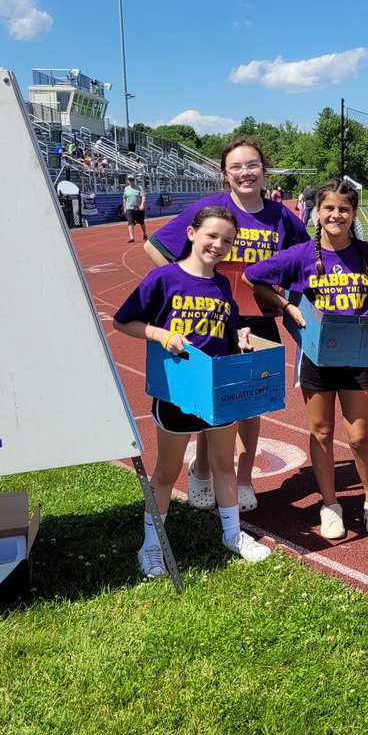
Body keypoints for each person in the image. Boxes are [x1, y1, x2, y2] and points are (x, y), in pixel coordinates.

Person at [145, 136, 308, 513]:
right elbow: (154, 247)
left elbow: (303, 259)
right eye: (235, 167)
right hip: (209, 322)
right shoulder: (209, 208)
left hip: (257, 323)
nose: (245, 173)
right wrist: (185, 283)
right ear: (225, 174)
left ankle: (244, 478)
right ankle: (201, 470)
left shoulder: (282, 216)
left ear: (264, 170)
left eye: (251, 165)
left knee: (249, 404)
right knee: (206, 399)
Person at [114, 206, 272, 577]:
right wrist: (160, 334)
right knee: (167, 472)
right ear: (191, 233)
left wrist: (241, 334)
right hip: (177, 390)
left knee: (223, 464)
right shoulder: (164, 278)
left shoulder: (221, 285)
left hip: (217, 388)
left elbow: (227, 327)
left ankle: (232, 534)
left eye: (227, 241)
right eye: (212, 236)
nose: (218, 245)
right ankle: (152, 544)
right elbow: (125, 321)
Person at [245, 180, 368, 540]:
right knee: (321, 431)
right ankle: (330, 505)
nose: (336, 215)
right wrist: (287, 305)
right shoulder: (299, 255)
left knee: (359, 435)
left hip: (357, 356)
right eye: (328, 208)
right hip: (316, 356)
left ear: (353, 213)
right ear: (316, 213)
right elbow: (254, 276)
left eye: (343, 209)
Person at [123, 175, 147, 243]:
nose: (131, 181)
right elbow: (124, 198)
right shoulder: (126, 189)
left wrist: (142, 204)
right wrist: (124, 208)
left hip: (138, 208)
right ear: (127, 181)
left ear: (134, 180)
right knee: (130, 223)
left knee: (141, 222)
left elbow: (143, 196)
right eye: (129, 180)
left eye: (132, 180)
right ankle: (132, 237)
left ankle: (145, 233)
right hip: (129, 208)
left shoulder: (139, 187)